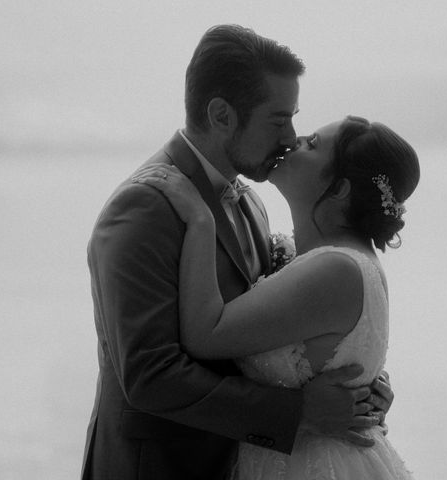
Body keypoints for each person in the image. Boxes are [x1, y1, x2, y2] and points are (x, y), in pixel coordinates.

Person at [82, 25, 393, 480]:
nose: (290, 136)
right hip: (159, 468)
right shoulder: (146, 207)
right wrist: (300, 413)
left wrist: (359, 381)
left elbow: (282, 326)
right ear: (222, 115)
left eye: (293, 118)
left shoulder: (248, 200)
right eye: (277, 119)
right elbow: (149, 375)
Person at [131, 115, 420, 479]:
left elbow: (206, 335)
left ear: (340, 188)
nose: (295, 140)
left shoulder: (335, 268)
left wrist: (200, 222)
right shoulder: (331, 258)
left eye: (313, 143)